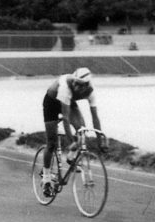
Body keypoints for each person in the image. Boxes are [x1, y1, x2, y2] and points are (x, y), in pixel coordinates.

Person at [41, 67, 108, 196]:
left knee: (82, 131)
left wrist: (100, 140)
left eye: (79, 85)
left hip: (69, 102)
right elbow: (65, 118)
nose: (76, 86)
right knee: (52, 142)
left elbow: (95, 117)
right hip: (51, 103)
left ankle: (71, 157)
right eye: (75, 83)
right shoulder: (65, 88)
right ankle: (46, 178)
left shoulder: (90, 92)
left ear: (86, 86)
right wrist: (70, 141)